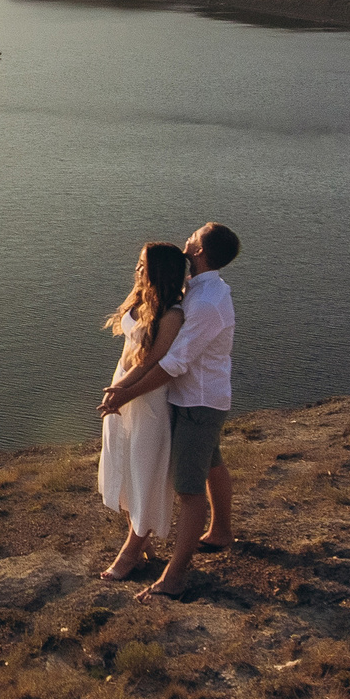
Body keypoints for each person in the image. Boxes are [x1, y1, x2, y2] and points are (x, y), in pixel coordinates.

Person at [104, 222, 240, 601]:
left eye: (195, 235)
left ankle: (175, 576)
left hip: (196, 401)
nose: (188, 237)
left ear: (200, 250)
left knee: (187, 489)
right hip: (191, 397)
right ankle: (222, 531)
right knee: (211, 463)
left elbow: (172, 363)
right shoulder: (196, 288)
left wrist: (125, 393)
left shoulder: (205, 303)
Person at [95, 241, 187, 580]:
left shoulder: (172, 314)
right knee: (122, 464)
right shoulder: (141, 300)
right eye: (138, 263)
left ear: (159, 271)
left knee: (144, 471)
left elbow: (151, 361)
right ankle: (140, 539)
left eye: (143, 265)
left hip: (146, 398)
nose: (137, 270)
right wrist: (117, 389)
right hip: (122, 387)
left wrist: (121, 391)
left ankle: (130, 552)